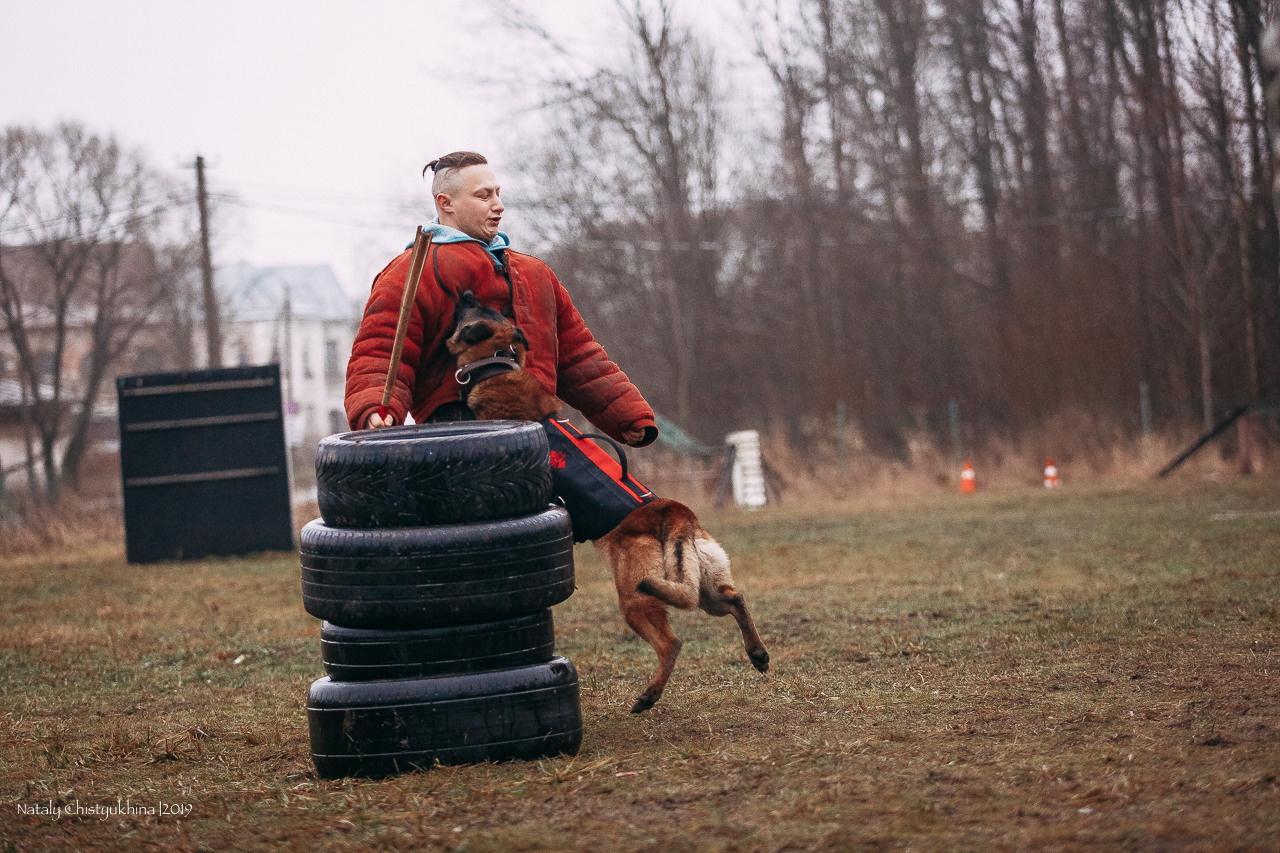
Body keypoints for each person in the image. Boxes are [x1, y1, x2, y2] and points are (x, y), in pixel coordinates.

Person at [344, 151, 658, 447]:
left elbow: (579, 355)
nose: (499, 204)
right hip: (459, 440)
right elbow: (381, 350)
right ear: (445, 203)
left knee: (615, 498)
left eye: (498, 193)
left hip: (541, 433)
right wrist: (376, 408)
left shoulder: (536, 272)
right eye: (484, 195)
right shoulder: (414, 270)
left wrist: (628, 415)